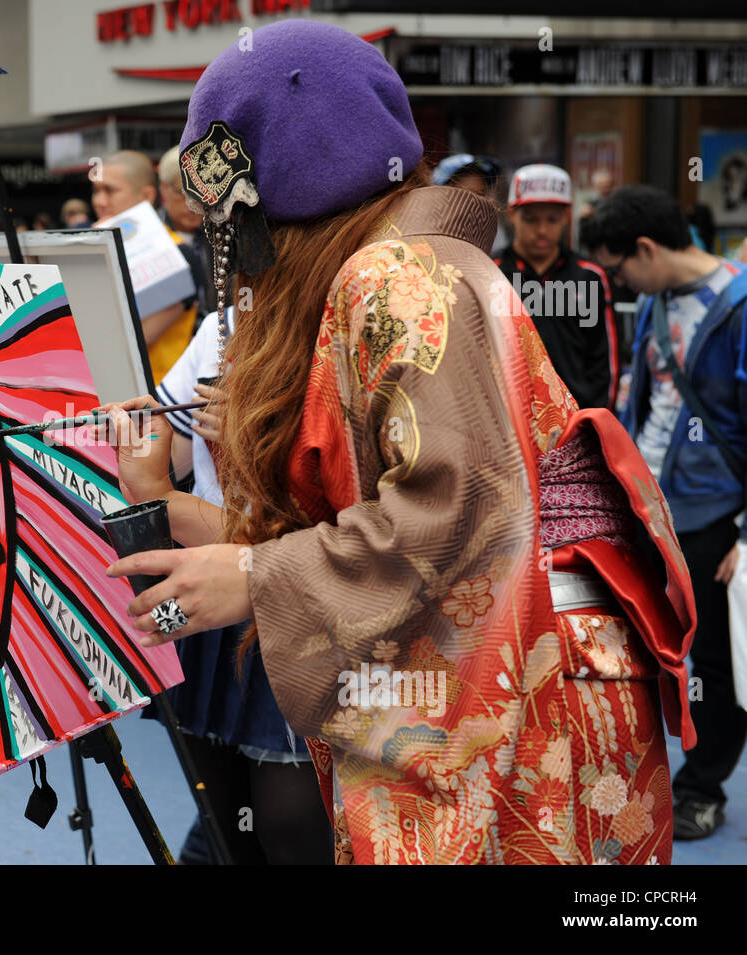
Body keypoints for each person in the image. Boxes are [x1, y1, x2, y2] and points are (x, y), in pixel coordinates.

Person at [100, 20, 695, 865]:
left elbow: (463, 504)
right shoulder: (400, 263)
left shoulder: (396, 275)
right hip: (520, 652)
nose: (224, 234)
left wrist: (258, 573)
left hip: (524, 663)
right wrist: (202, 525)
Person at [586, 185, 747, 840]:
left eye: (620, 266)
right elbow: (643, 406)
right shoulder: (654, 301)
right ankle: (638, 777)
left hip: (715, 517)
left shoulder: (738, 307)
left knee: (712, 660)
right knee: (645, 648)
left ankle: (702, 786)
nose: (619, 280)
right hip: (649, 510)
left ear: (646, 249)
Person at [147, 303, 333, 864]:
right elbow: (169, 445)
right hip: (214, 593)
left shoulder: (344, 325)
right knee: (224, 820)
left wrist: (262, 437)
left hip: (301, 595)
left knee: (291, 826)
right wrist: (135, 433)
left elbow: (349, 508)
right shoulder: (221, 326)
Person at [495, 164, 618, 410]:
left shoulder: (589, 276)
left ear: (566, 217)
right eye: (530, 219)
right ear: (512, 215)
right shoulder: (491, 273)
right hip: (510, 417)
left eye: (552, 219)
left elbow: (604, 360)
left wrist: (594, 418)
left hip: (577, 418)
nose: (541, 230)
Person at [92, 149, 199, 382]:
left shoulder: (177, 253)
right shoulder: (94, 246)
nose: (99, 201)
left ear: (147, 196)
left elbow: (133, 339)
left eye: (109, 190)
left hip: (157, 399)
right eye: (96, 191)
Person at [160, 145, 215, 317]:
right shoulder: (152, 236)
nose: (192, 205)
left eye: (201, 193)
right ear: (163, 189)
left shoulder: (222, 236)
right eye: (182, 193)